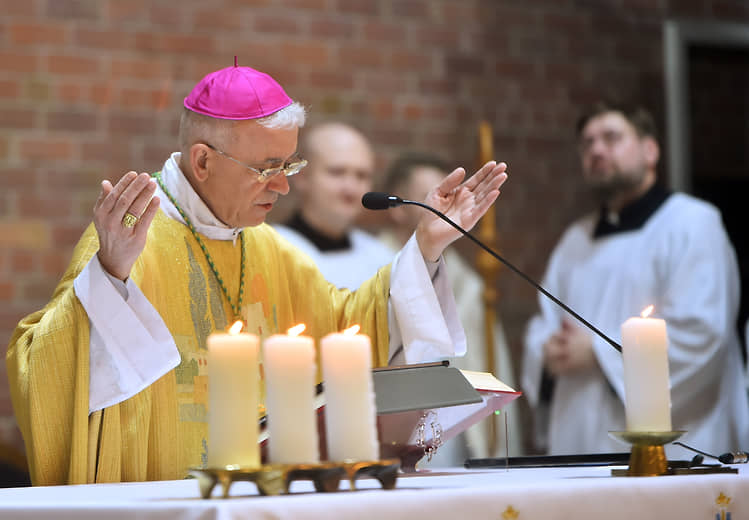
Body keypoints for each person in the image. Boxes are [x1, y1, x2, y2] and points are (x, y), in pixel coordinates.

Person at [6, 63, 508, 486]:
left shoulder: (268, 248)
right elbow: (43, 371)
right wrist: (111, 276)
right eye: (267, 168)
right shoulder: (129, 238)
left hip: (260, 498)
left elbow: (349, 328)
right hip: (163, 507)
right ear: (202, 160)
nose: (283, 188)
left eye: (289, 166)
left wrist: (426, 245)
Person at [521, 101, 749, 457]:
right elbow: (543, 324)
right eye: (587, 143)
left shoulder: (692, 223)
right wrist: (548, 353)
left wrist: (599, 353)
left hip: (683, 443)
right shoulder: (574, 240)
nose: (596, 149)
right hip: (579, 435)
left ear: (650, 149)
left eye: (611, 137)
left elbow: (702, 331)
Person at [381, 153, 523, 461]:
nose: (439, 206)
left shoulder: (467, 282)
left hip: (457, 434)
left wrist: (497, 443)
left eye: (445, 196)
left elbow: (489, 361)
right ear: (396, 209)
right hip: (395, 429)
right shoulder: (373, 264)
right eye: (427, 197)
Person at [272, 122, 393, 290]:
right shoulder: (272, 251)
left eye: (361, 176)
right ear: (302, 177)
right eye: (337, 172)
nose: (350, 188)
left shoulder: (382, 259)